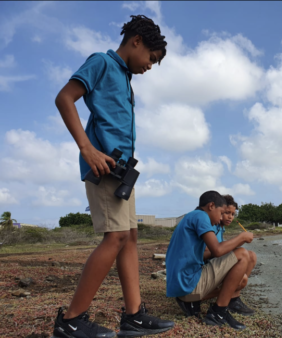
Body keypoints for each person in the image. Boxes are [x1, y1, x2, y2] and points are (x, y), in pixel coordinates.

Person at [52, 15, 174, 338]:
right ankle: (71, 320)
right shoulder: (102, 63)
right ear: (136, 41)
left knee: (130, 236)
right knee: (115, 237)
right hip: (103, 167)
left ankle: (133, 315)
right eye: (151, 58)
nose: (150, 66)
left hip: (123, 172)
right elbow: (64, 98)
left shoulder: (125, 78)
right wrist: (87, 149)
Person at [165, 191, 254, 330]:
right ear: (211, 206)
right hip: (188, 287)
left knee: (244, 261)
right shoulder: (201, 216)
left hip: (181, 286)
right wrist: (242, 237)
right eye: (221, 212)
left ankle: (220, 304)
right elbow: (216, 250)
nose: (220, 219)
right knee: (242, 254)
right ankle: (218, 312)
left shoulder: (191, 216)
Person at [204, 194, 257, 316]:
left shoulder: (221, 228)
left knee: (252, 255)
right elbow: (211, 251)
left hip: (215, 262)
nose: (230, 217)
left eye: (233, 214)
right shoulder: (211, 226)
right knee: (242, 278)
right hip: (208, 266)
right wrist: (237, 241)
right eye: (227, 212)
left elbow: (221, 247)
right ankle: (228, 297)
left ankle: (233, 298)